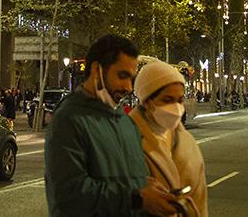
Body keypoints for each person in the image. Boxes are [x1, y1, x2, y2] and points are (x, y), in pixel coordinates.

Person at [45, 34, 179, 216]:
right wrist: (137, 197)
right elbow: (69, 195)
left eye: (131, 79)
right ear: (96, 70)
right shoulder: (68, 121)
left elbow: (123, 180)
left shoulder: (126, 124)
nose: (128, 87)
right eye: (122, 76)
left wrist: (146, 186)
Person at [129, 60, 208, 217]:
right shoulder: (126, 139)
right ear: (147, 102)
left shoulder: (187, 142)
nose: (176, 107)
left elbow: (200, 199)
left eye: (179, 100)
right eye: (167, 100)